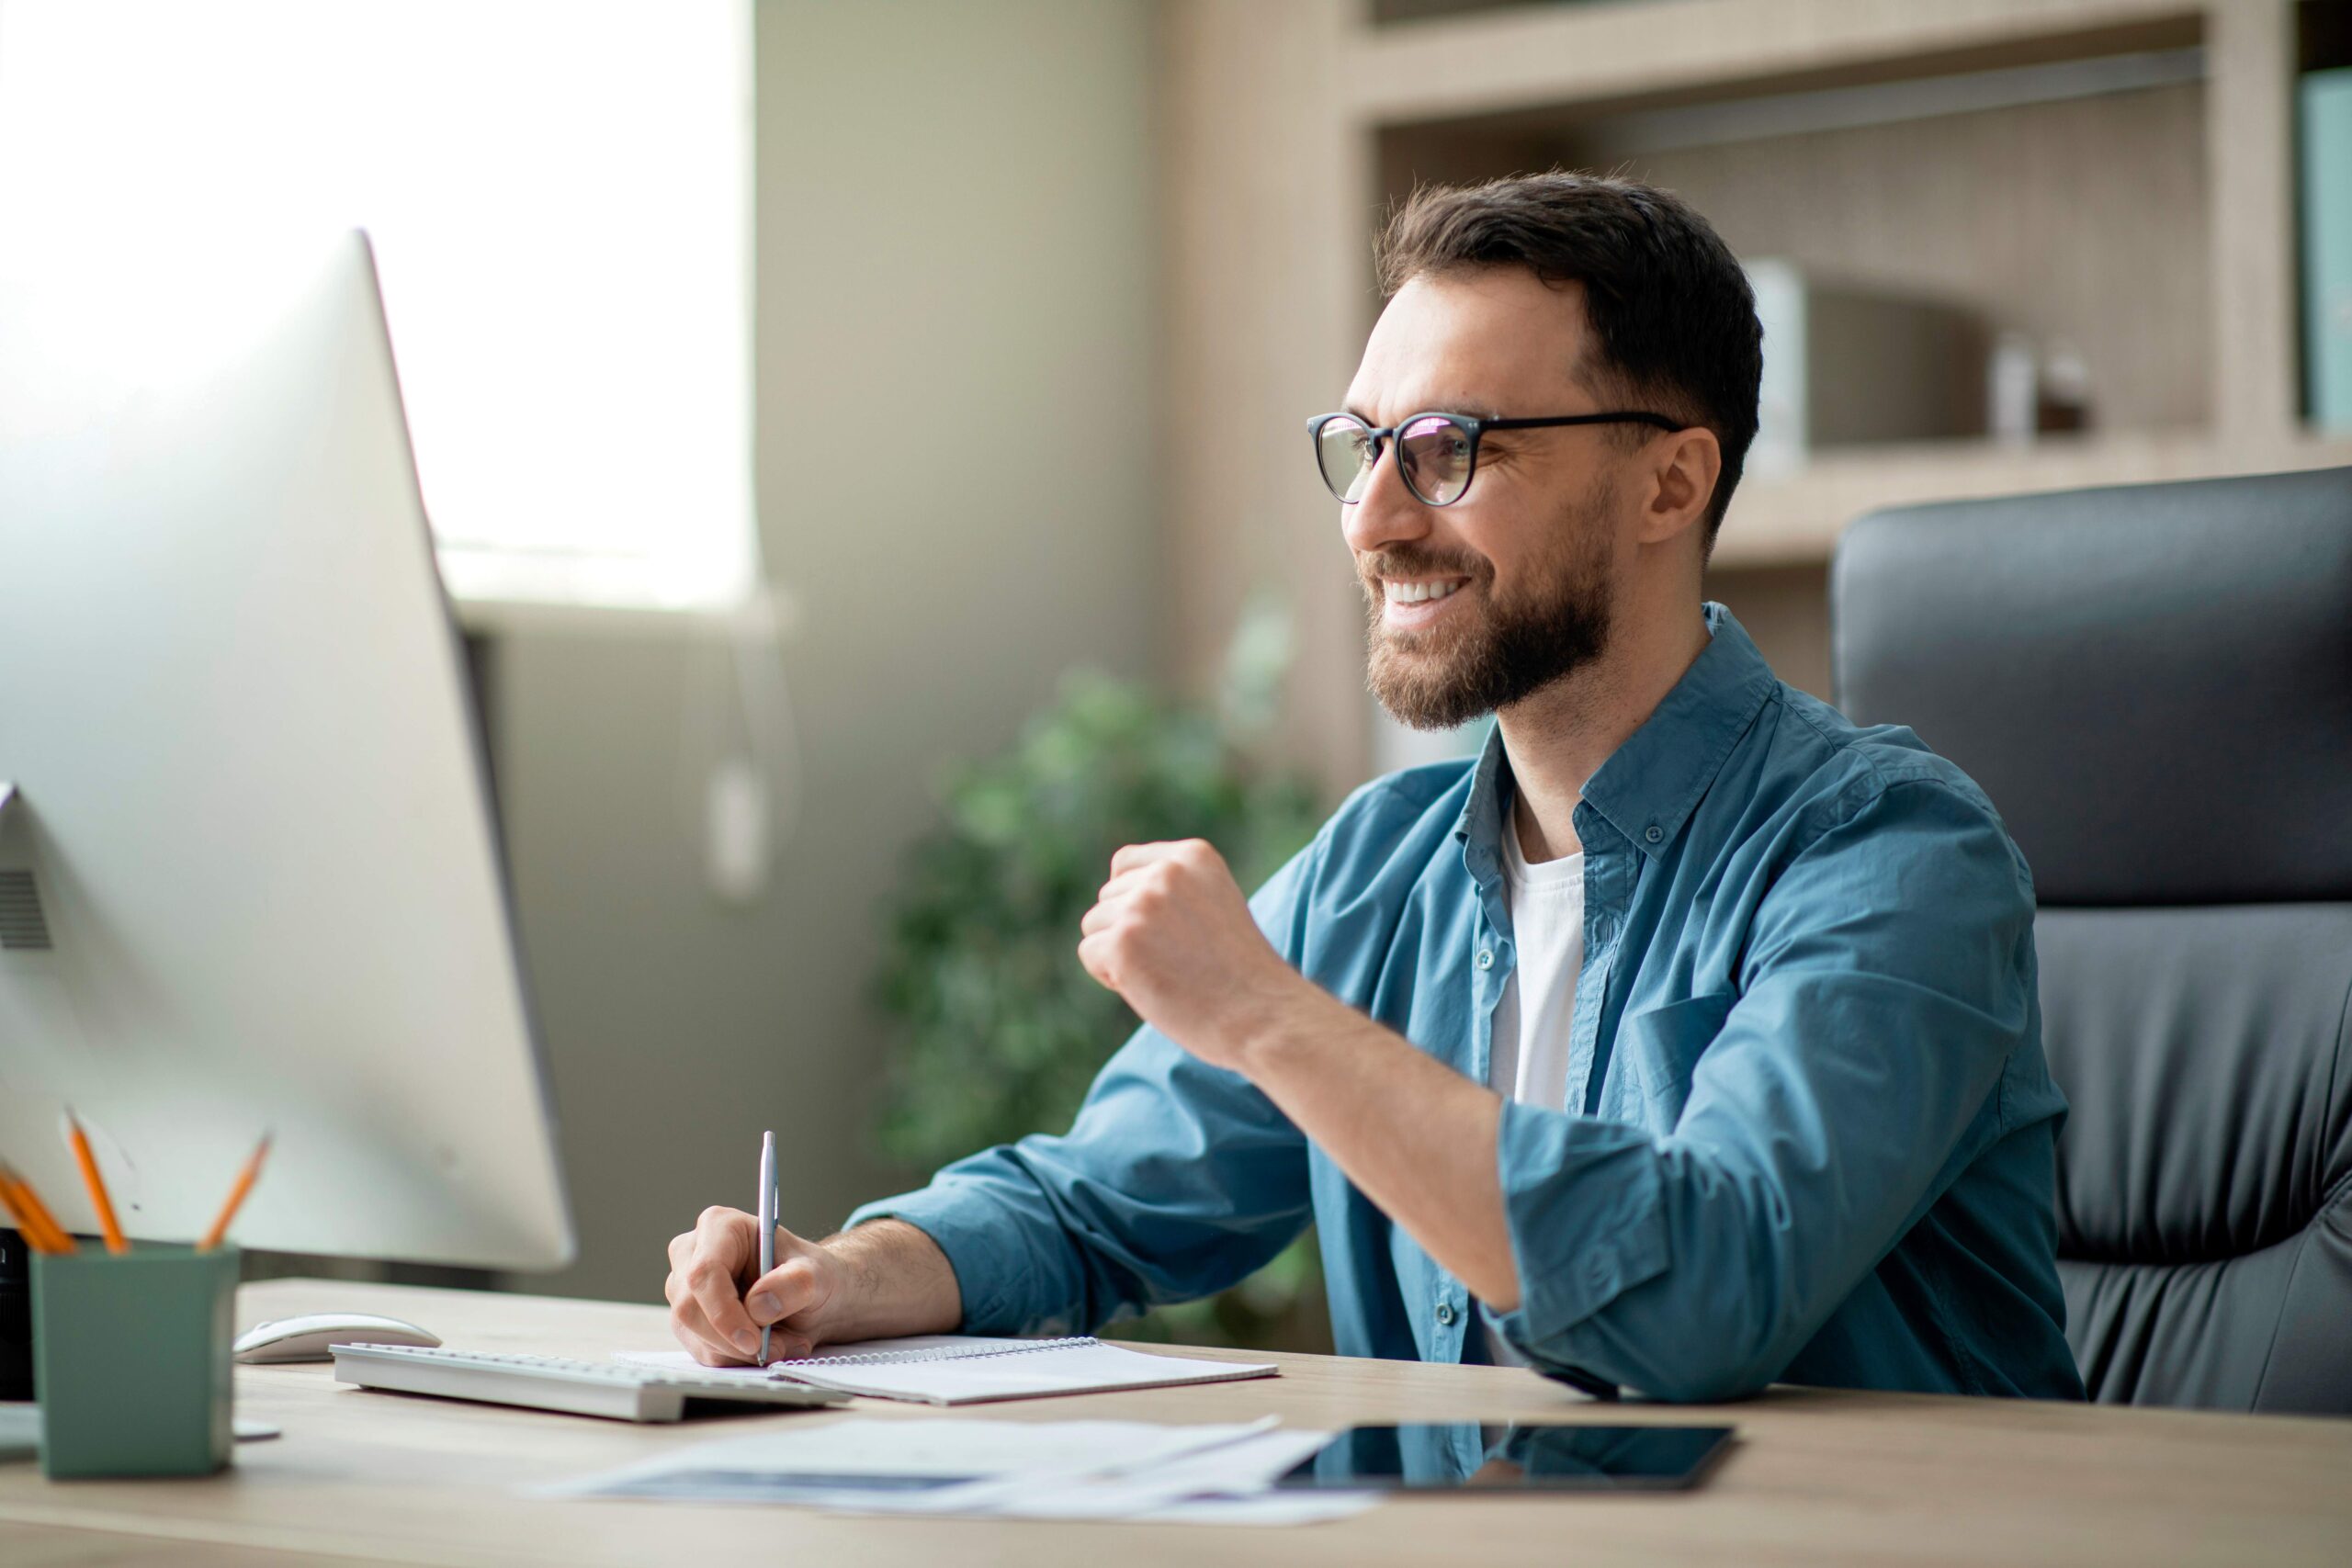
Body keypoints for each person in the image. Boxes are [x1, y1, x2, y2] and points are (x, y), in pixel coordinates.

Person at [663, 171, 2085, 1403]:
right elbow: (1095, 1206)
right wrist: (842, 1276)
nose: (1374, 519)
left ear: (1669, 485)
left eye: (1451, 451)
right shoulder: (1379, 866)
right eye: (1363, 448)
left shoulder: (1894, 851)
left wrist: (1270, 1017)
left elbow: (1705, 1290)